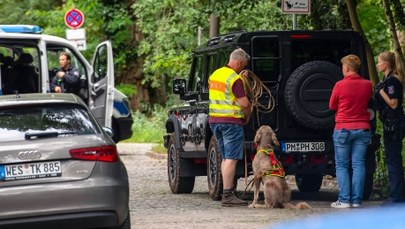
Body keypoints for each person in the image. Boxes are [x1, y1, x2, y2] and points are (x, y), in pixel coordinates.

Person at [208, 48, 252, 207]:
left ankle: (227, 192)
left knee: (226, 158)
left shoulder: (215, 75)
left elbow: (225, 94)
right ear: (239, 62)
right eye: (243, 65)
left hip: (215, 121)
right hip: (231, 122)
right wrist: (248, 114)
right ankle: (228, 195)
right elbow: (244, 103)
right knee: (231, 159)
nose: (243, 68)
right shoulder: (234, 79)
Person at [329, 54, 373, 208]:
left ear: (346, 68)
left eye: (342, 67)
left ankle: (344, 200)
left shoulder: (339, 85)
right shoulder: (368, 85)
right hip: (363, 128)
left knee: (342, 166)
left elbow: (332, 106)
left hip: (343, 129)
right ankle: (356, 201)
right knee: (359, 165)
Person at [374, 51, 405, 206]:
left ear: (386, 64)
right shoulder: (387, 80)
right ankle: (397, 194)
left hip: (394, 124)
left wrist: (380, 91)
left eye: (379, 62)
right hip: (389, 123)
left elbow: (394, 104)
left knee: (393, 160)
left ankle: (396, 197)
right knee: (392, 159)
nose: (377, 64)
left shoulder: (392, 81)